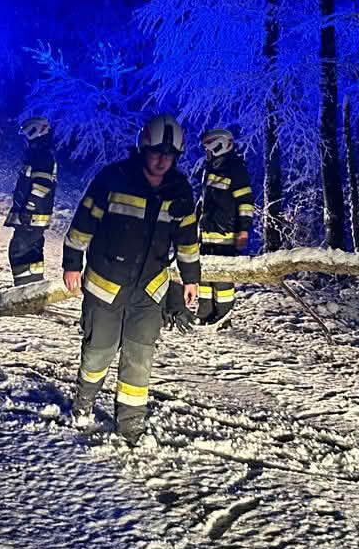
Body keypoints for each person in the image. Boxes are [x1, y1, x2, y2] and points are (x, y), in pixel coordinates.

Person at [61, 114, 200, 446]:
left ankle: (130, 427)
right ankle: (82, 405)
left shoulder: (179, 189)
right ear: (142, 147)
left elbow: (188, 240)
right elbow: (83, 221)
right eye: (156, 151)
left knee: (139, 359)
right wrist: (71, 263)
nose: (163, 159)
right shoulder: (114, 179)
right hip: (106, 283)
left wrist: (191, 280)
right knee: (98, 352)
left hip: (150, 290)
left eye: (170, 154)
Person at [195, 127, 254, 326]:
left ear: (219, 146)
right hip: (206, 233)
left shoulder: (235, 169)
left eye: (209, 149)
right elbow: (204, 201)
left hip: (225, 233)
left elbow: (245, 202)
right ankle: (204, 313)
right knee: (204, 275)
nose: (207, 153)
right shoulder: (209, 169)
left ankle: (223, 317)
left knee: (222, 278)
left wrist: (244, 230)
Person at [5, 116, 56, 285]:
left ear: (35, 132)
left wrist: (29, 208)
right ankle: (34, 289)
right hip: (33, 215)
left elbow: (42, 185)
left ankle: (25, 293)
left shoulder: (41, 155)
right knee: (31, 253)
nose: (25, 139)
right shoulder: (39, 153)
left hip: (32, 215)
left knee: (19, 251)